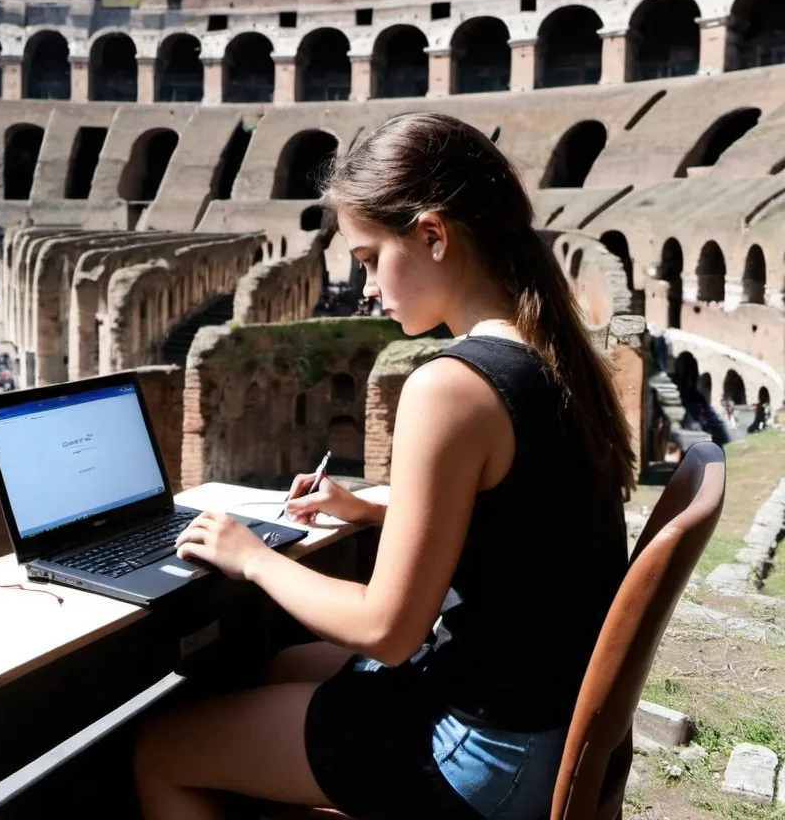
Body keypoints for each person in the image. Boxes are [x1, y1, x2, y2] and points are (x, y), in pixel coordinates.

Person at [133, 112, 635, 820]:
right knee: (283, 668)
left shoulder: (452, 386)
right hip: (549, 733)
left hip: (489, 755)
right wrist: (373, 509)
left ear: (432, 235)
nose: (364, 286)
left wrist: (252, 558)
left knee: (161, 750)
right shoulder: (550, 355)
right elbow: (531, 521)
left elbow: (387, 630)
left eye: (368, 259)